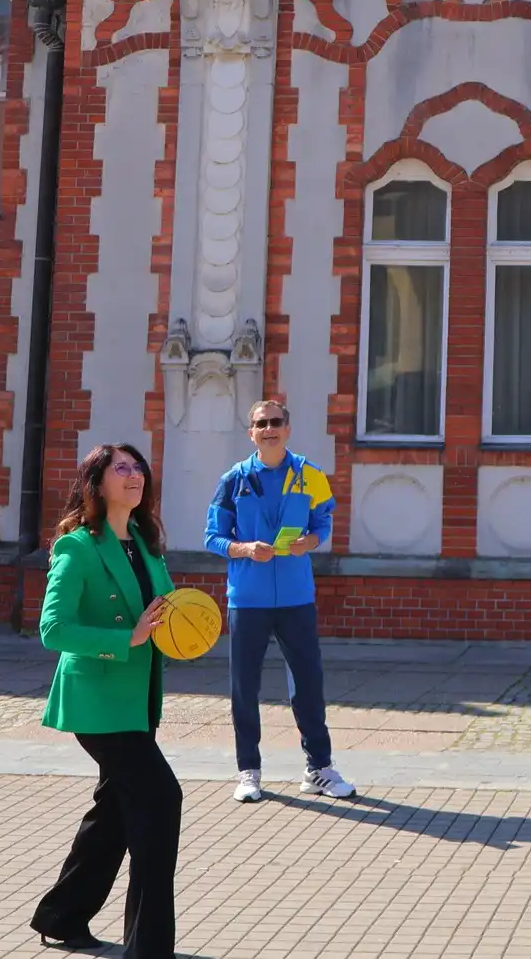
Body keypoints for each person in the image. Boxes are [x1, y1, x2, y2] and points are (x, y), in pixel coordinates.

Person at [31, 444, 179, 957]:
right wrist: (127, 639)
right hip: (96, 702)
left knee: (115, 809)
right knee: (161, 799)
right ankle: (150, 947)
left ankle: (62, 916)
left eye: (138, 467)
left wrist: (185, 630)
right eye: (121, 467)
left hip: (137, 701)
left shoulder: (146, 542)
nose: (134, 474)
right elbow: (53, 629)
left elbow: (163, 612)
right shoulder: (77, 546)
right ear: (96, 482)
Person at [204, 398, 351, 803]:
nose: (268, 429)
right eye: (260, 423)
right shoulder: (233, 480)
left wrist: (312, 541)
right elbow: (212, 538)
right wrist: (244, 548)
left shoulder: (310, 475)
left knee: (308, 684)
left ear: (288, 428)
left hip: (295, 596)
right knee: (244, 687)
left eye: (275, 422)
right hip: (247, 599)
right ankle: (248, 771)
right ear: (250, 432)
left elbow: (323, 520)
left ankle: (318, 769)